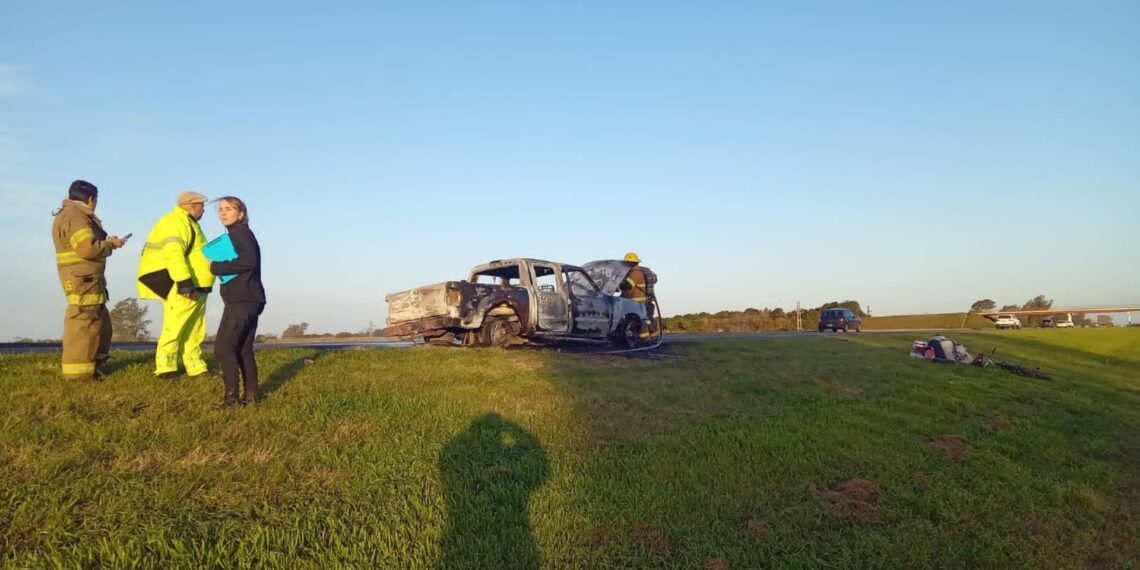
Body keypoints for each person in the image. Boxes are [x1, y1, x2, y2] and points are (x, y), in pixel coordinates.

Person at [51, 180, 126, 380]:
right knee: (84, 322)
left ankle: (95, 365)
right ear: (91, 199)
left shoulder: (68, 214)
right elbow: (87, 248)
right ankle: (80, 375)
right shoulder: (76, 216)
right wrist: (110, 245)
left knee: (98, 319)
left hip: (85, 278)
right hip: (83, 278)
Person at [136, 191, 215, 378]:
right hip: (181, 285)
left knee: (194, 329)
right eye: (202, 206)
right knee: (175, 325)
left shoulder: (189, 223)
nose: (203, 210)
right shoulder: (175, 222)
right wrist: (184, 283)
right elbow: (174, 254)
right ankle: (166, 367)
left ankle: (195, 367)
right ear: (193, 205)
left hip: (196, 285)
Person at [208, 196, 265, 407]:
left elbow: (248, 262)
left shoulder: (240, 234)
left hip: (242, 300)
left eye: (229, 209)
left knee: (223, 349)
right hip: (252, 298)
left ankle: (231, 399)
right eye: (220, 209)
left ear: (241, 214)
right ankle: (252, 395)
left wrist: (215, 267)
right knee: (242, 348)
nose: (223, 212)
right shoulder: (239, 234)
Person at [618, 251, 657, 344]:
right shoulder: (635, 272)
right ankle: (650, 339)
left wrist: (615, 285)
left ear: (629, 263)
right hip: (635, 302)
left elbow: (627, 285)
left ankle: (646, 341)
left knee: (640, 321)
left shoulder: (635, 273)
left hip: (636, 302)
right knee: (642, 320)